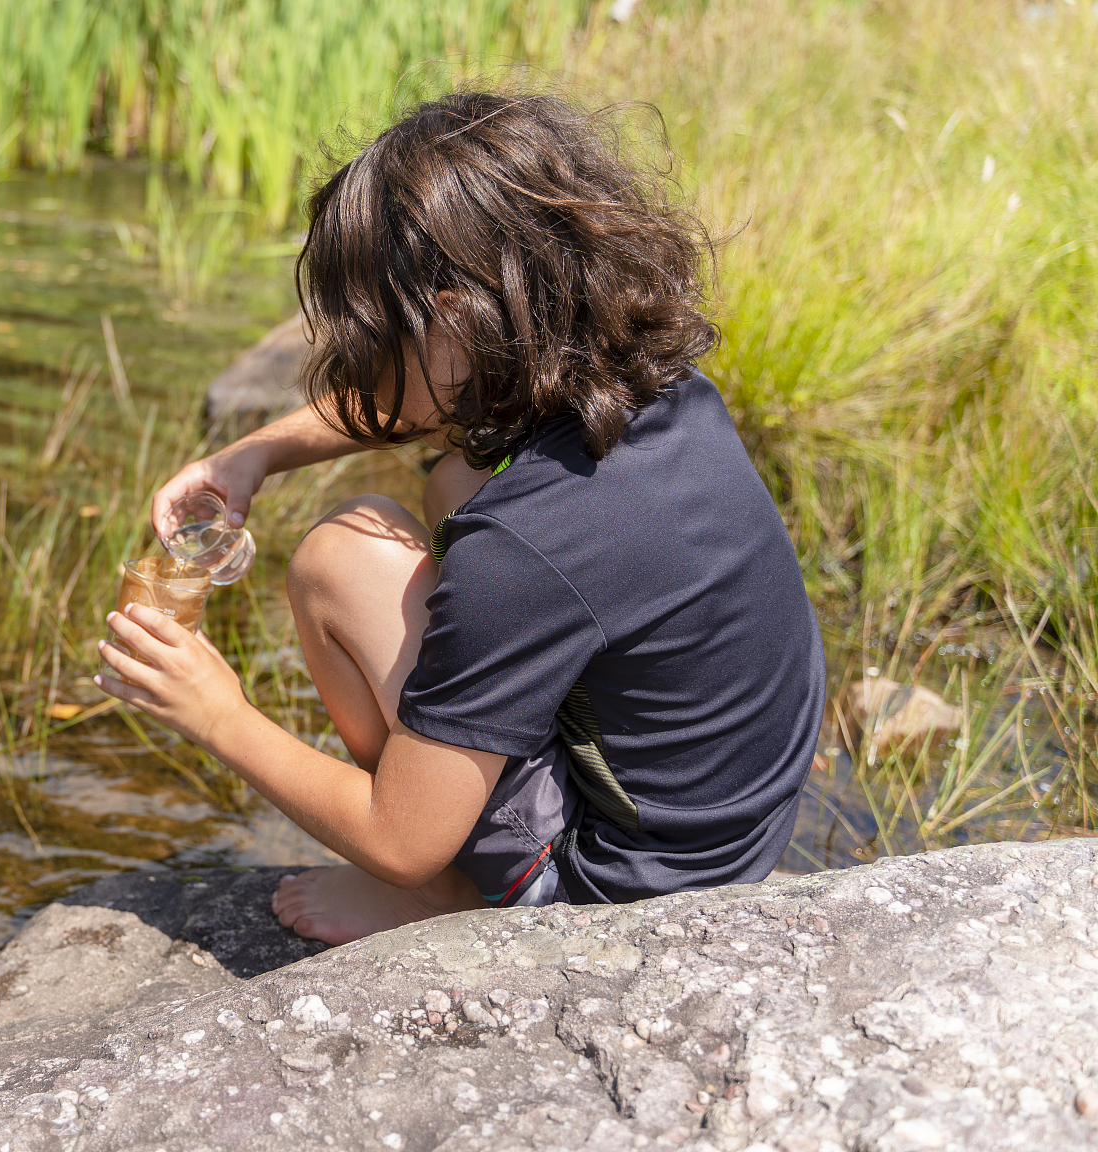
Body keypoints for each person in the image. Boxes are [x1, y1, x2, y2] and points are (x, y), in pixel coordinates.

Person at [95, 90, 825, 946]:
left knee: (339, 557)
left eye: (368, 337)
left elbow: (395, 839)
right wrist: (258, 452)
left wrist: (214, 711)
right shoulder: (659, 388)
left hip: (622, 898)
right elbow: (432, 402)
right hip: (729, 829)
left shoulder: (530, 544)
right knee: (456, 476)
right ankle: (468, 799)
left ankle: (459, 897)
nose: (353, 361)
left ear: (451, 321)